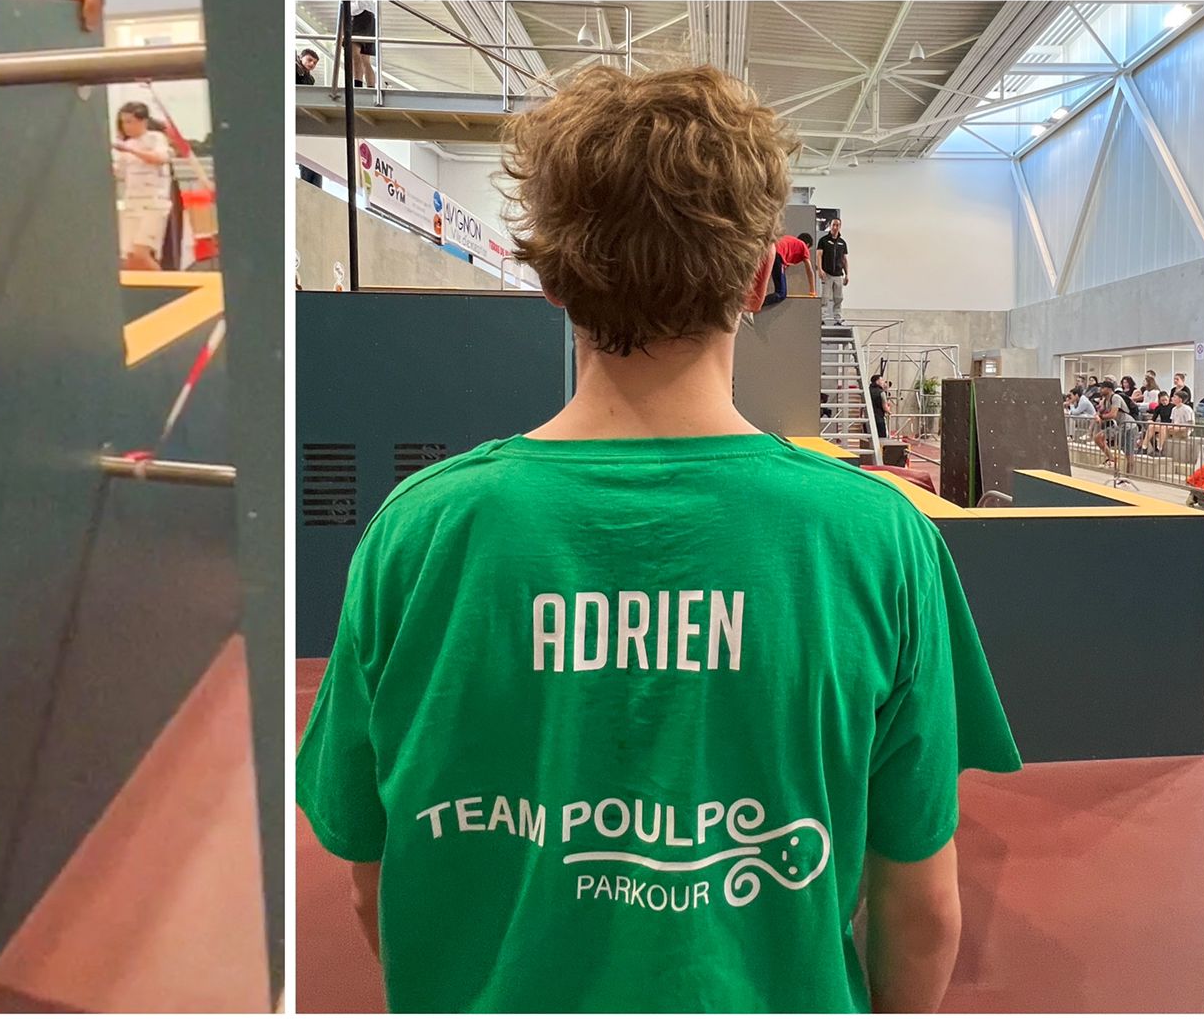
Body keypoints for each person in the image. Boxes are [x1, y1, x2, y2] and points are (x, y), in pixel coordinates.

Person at [296, 64, 1019, 1013]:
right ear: (763, 278)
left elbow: (373, 880)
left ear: (549, 276)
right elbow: (919, 904)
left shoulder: (418, 533)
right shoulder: (878, 537)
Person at [112, 102, 176, 272]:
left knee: (141, 252)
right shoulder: (127, 145)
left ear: (143, 121)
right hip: (132, 203)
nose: (127, 126)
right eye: (124, 122)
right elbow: (118, 173)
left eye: (130, 121)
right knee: (129, 258)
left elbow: (159, 158)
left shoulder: (155, 138)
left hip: (154, 202)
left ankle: (165, 285)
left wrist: (130, 151)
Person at [764, 228, 812, 305]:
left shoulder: (789, 241)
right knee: (781, 293)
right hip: (776, 255)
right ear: (808, 245)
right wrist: (812, 291)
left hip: (768, 251)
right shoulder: (803, 246)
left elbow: (783, 265)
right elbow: (809, 270)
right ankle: (758, 304)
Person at [817, 217, 850, 322]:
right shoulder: (823, 241)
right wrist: (820, 269)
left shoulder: (842, 243)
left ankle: (838, 319)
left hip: (839, 275)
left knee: (839, 298)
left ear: (840, 227)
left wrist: (847, 274)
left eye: (837, 225)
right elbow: (819, 255)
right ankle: (822, 318)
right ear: (830, 226)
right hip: (827, 274)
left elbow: (844, 259)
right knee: (825, 297)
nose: (835, 227)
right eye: (833, 225)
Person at [868, 365, 890, 444]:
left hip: (868, 418)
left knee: (870, 439)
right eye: (882, 380)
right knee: (881, 439)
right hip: (879, 418)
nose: (883, 382)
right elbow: (885, 407)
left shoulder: (867, 391)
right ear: (877, 381)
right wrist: (889, 411)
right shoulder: (881, 392)